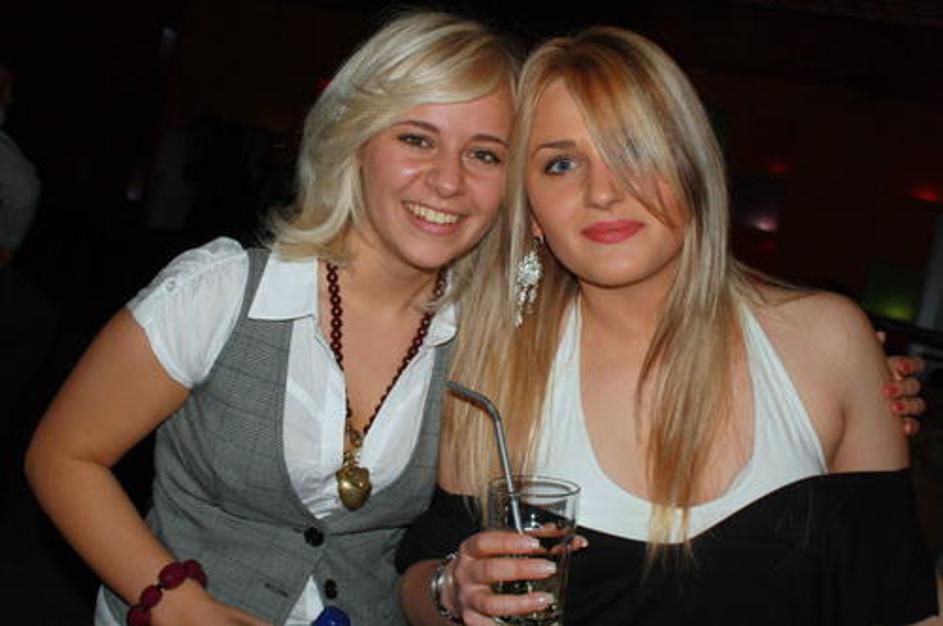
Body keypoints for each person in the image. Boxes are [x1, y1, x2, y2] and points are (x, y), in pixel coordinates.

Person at [397, 26, 939, 625]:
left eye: (632, 148)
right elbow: (420, 569)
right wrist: (453, 591)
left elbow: (899, 600)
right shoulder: (496, 368)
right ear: (531, 213)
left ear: (691, 166)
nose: (603, 191)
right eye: (562, 163)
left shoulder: (828, 343)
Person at [24, 12, 515, 626]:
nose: (448, 180)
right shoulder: (224, 291)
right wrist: (177, 602)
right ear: (356, 141)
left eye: (485, 154)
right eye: (417, 139)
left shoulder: (482, 342)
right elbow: (64, 456)